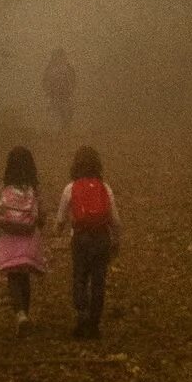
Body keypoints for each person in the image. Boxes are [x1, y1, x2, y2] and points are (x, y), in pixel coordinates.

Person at [58, 144, 119, 340]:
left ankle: (82, 314)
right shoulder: (104, 187)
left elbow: (61, 218)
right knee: (99, 280)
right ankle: (94, 323)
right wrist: (116, 239)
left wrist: (57, 229)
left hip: (80, 239)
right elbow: (114, 218)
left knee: (80, 277)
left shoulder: (71, 187)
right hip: (101, 238)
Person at [0, 145, 46, 323]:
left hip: (8, 236)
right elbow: (42, 216)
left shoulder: (4, 186)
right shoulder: (33, 188)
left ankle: (20, 313)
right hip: (28, 237)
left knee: (13, 276)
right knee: (24, 277)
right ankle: (25, 314)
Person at [42, 47, 78, 130]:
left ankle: (64, 137)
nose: (61, 58)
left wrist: (69, 91)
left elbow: (73, 82)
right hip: (55, 98)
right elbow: (45, 83)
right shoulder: (50, 69)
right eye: (59, 56)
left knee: (66, 120)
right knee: (56, 120)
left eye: (61, 56)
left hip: (65, 97)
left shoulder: (68, 69)